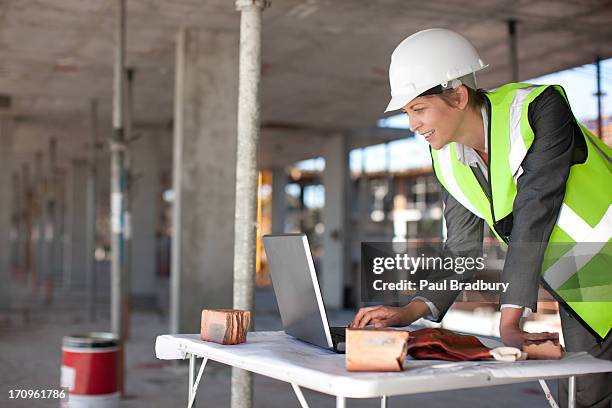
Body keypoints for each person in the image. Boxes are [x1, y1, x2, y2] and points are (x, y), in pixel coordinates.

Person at [350, 28, 612, 408]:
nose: (413, 125)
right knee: (582, 397)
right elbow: (462, 250)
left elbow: (534, 209)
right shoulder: (447, 159)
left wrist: (509, 316)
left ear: (457, 95)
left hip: (600, 272)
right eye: (408, 113)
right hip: (587, 286)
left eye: (419, 110)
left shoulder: (538, 108)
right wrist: (411, 310)